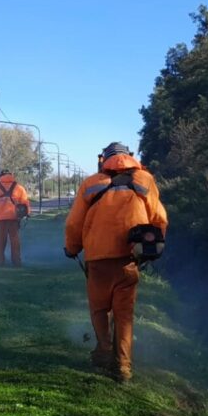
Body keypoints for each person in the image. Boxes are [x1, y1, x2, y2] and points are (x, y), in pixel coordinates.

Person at [64, 142, 167, 382]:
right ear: (130, 158)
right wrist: (153, 248)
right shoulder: (145, 180)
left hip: (97, 259)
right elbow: (159, 218)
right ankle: (123, 366)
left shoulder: (91, 183)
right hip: (129, 259)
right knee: (124, 314)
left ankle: (103, 353)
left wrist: (72, 248)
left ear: (104, 160)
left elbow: (73, 223)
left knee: (100, 309)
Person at [0, 169, 31, 267]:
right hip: (14, 218)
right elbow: (25, 203)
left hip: (0, 220)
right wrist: (26, 214)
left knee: (1, 241)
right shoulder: (19, 188)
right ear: (11, 175)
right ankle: (16, 262)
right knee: (15, 240)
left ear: (0, 176)